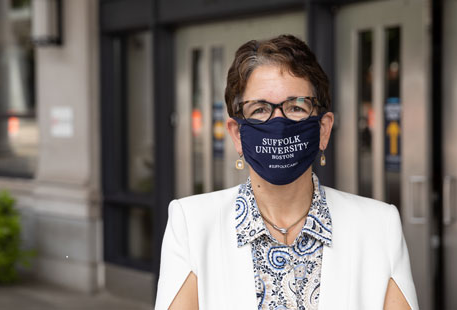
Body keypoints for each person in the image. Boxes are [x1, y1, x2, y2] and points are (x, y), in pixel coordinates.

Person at [155, 34, 418, 310]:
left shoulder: (379, 227)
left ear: (323, 130)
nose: (278, 123)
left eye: (295, 107)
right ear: (236, 134)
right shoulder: (192, 226)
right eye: (259, 109)